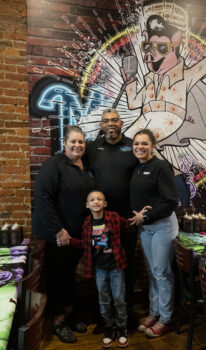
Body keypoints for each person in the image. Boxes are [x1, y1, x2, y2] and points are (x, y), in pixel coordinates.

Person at [57, 191, 146, 348]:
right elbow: (84, 244)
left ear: (105, 203)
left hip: (116, 267)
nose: (96, 201)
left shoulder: (113, 217)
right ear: (87, 205)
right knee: (103, 301)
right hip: (99, 269)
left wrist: (139, 218)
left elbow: (129, 225)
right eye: (92, 199)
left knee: (119, 299)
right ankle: (109, 327)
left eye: (99, 199)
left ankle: (122, 328)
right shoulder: (86, 223)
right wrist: (69, 241)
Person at [32, 125, 95, 343]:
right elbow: (42, 199)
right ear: (64, 143)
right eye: (73, 142)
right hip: (59, 235)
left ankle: (69, 315)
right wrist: (58, 229)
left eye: (81, 142)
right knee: (58, 277)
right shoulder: (54, 165)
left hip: (77, 235)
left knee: (69, 276)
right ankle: (58, 321)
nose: (78, 145)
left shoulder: (84, 166)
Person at [85, 108, 139, 327]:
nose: (110, 123)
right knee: (100, 266)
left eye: (114, 120)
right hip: (100, 221)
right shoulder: (91, 148)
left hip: (126, 220)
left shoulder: (131, 146)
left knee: (128, 266)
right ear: (100, 125)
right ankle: (103, 316)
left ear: (121, 122)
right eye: (106, 120)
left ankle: (127, 315)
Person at [129, 129, 179, 338]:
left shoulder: (161, 166)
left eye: (144, 144)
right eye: (136, 144)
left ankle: (165, 319)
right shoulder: (138, 168)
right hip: (146, 229)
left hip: (162, 226)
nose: (139, 147)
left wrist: (146, 217)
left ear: (153, 145)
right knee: (152, 272)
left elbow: (170, 202)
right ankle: (154, 313)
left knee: (161, 272)